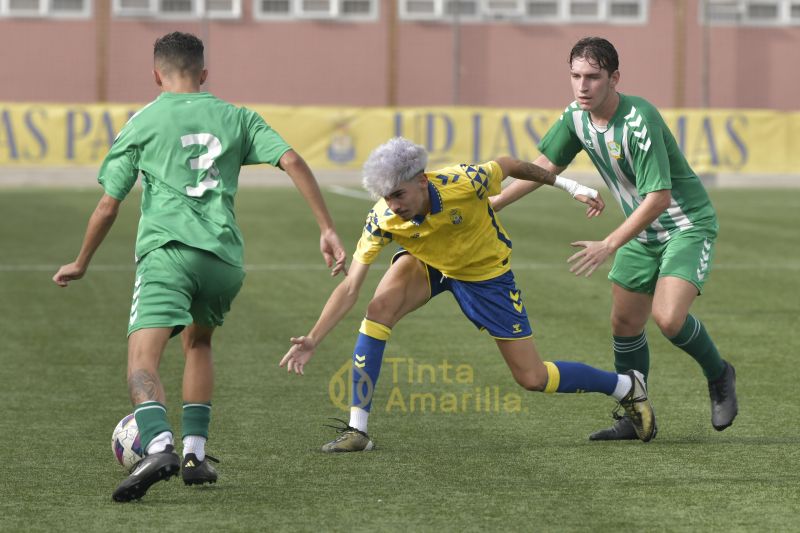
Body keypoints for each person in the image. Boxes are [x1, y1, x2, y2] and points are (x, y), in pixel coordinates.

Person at [52, 31, 347, 501]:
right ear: (204, 73)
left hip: (168, 253)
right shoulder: (238, 117)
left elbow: (108, 205)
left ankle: (158, 446)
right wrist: (327, 228)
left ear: (156, 75)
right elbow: (291, 159)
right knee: (199, 342)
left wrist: (82, 261)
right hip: (224, 260)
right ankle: (194, 454)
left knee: (142, 359)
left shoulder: (143, 121)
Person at [280, 136, 656, 452]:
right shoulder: (384, 218)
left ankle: (625, 386)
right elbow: (350, 287)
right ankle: (357, 429)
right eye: (386, 197)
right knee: (378, 309)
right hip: (430, 263)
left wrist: (569, 186)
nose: (393, 205)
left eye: (398, 194)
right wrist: (314, 337)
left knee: (532, 377)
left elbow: (509, 165)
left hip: (484, 274)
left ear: (422, 180)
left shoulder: (464, 181)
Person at [490, 37, 737, 440]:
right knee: (624, 322)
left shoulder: (640, 120)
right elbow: (545, 165)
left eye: (592, 77)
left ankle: (719, 373)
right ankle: (633, 416)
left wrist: (609, 243)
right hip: (640, 230)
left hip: (685, 226)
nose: (582, 86)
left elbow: (659, 198)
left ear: (614, 78)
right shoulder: (576, 117)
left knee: (668, 318)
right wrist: (496, 204)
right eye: (575, 76)